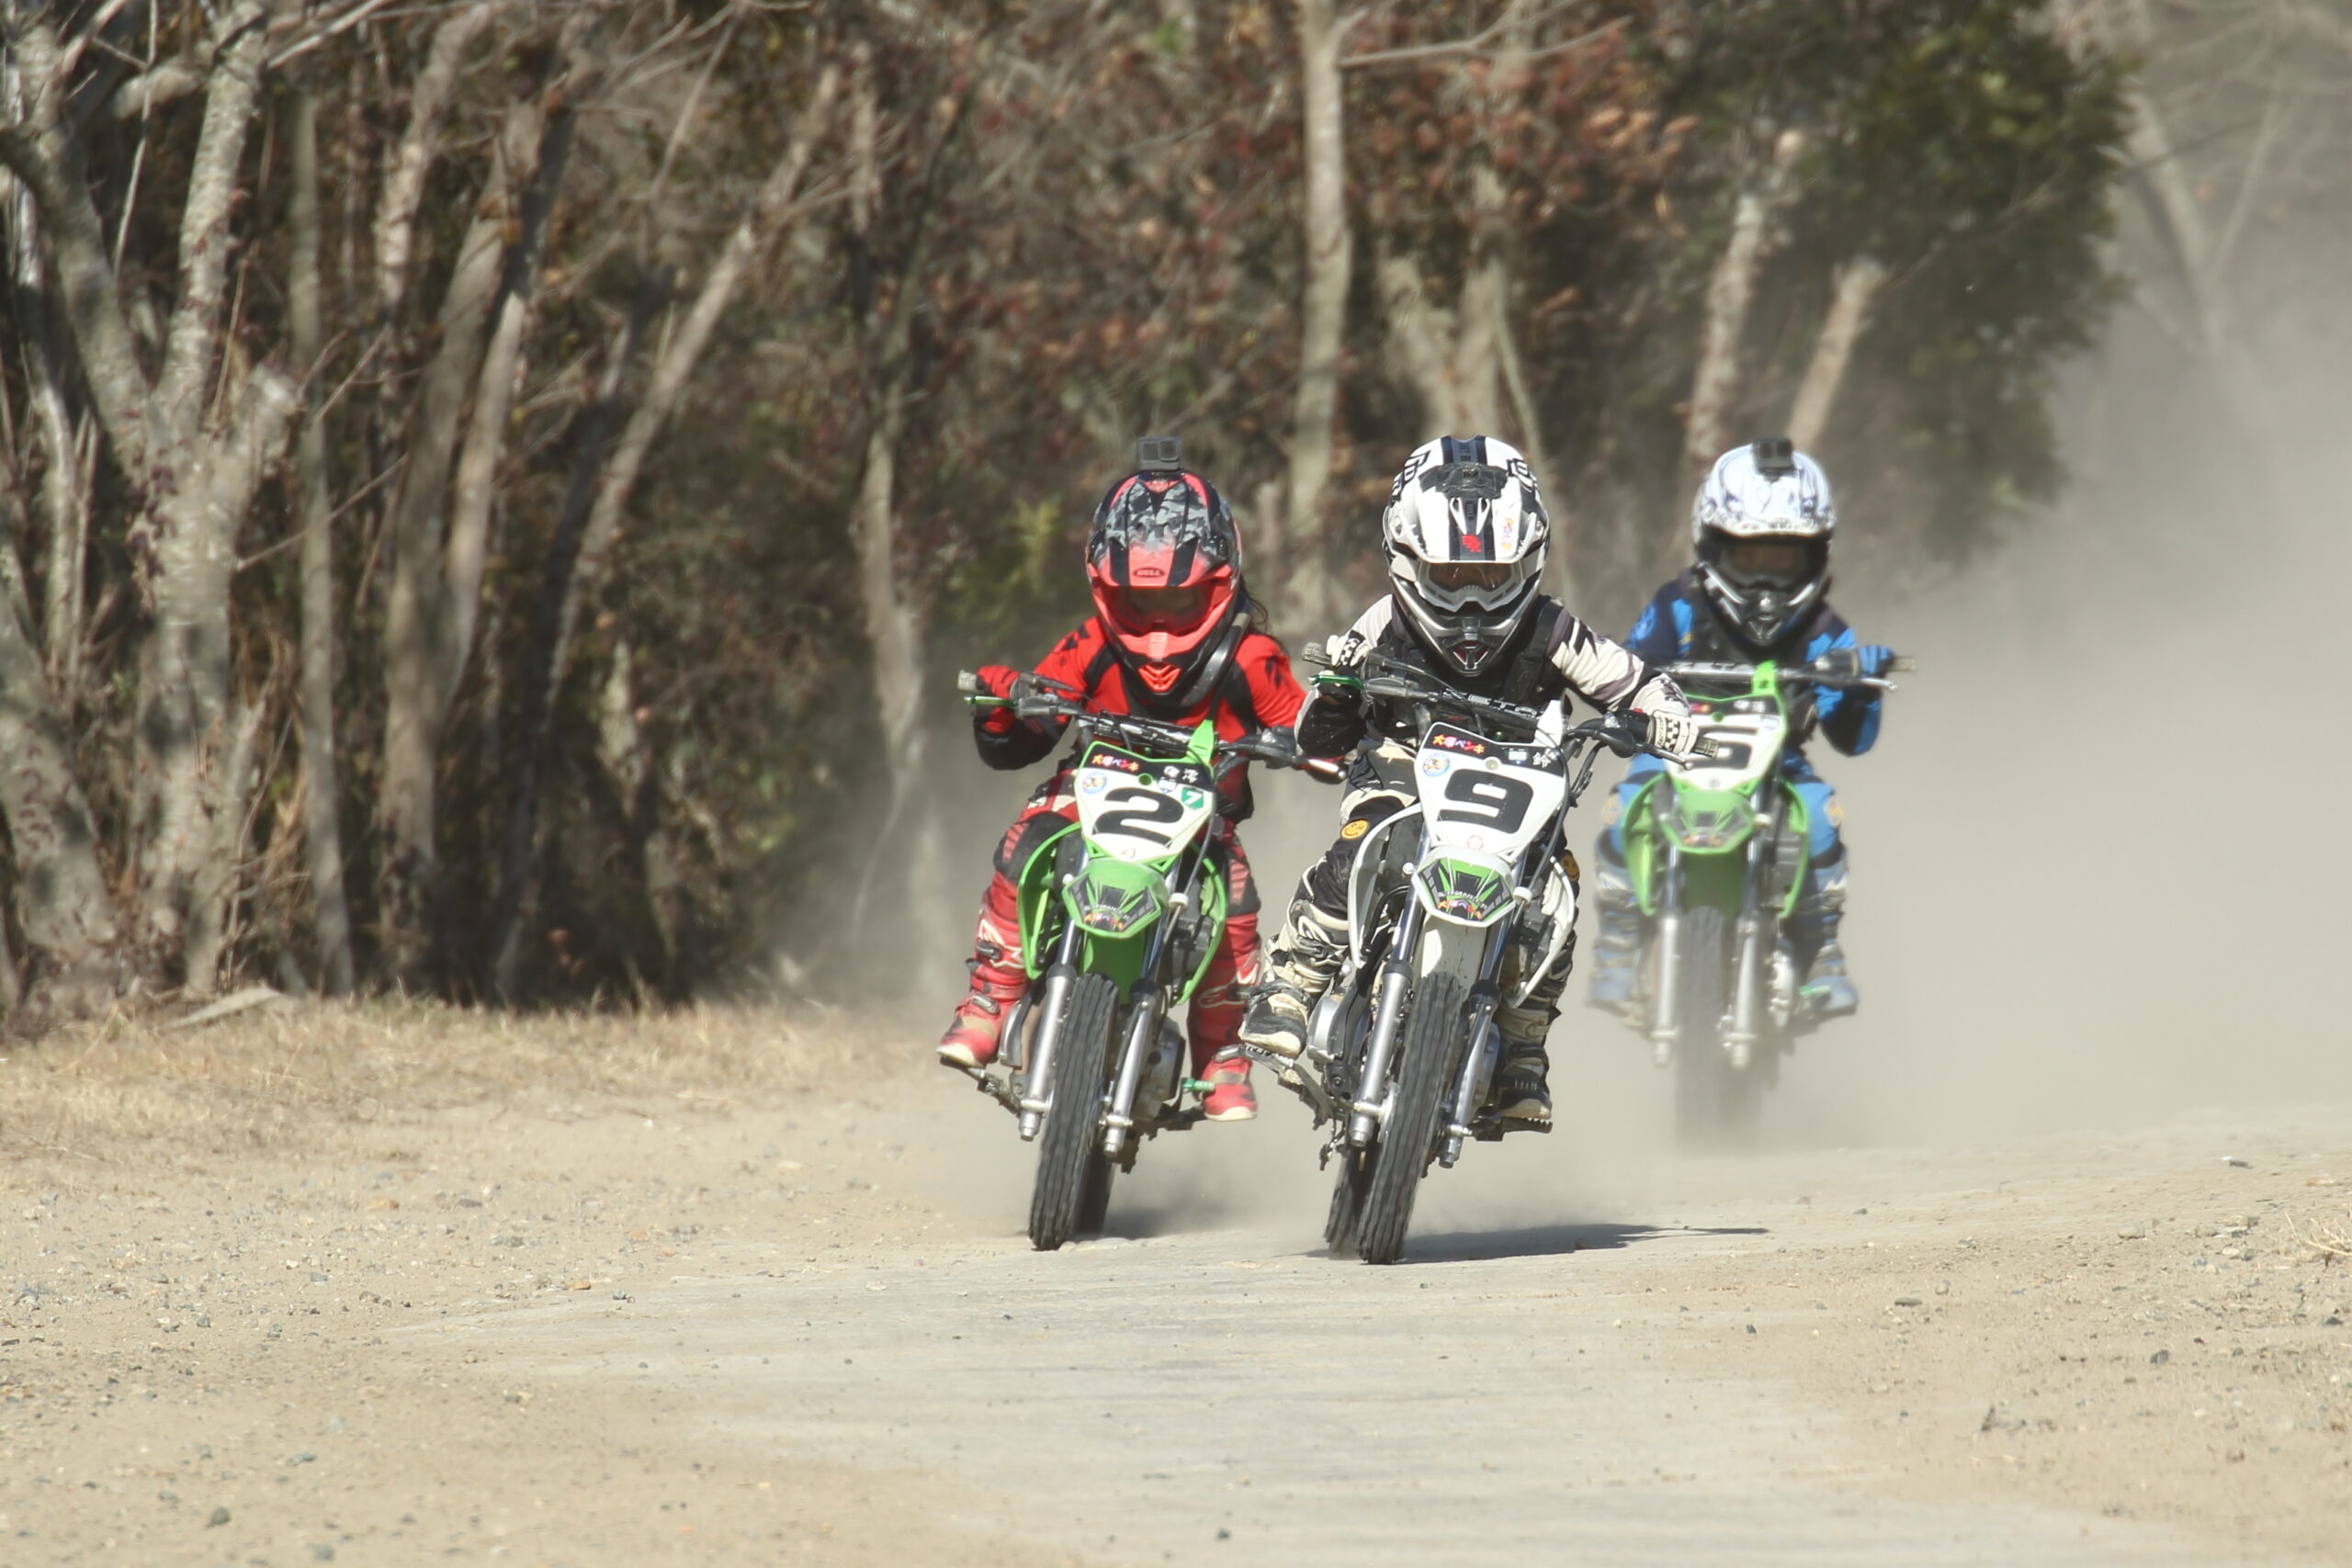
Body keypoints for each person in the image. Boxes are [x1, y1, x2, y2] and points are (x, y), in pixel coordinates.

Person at [1236, 435, 1697, 1127]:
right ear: (1408, 558)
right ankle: (1291, 984)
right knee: (1363, 842)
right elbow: (1314, 731)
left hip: (1519, 782)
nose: (1474, 597)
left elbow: (1634, 680)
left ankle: (1523, 1045)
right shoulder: (1384, 620)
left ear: (1529, 561)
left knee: (1558, 889)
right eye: (1452, 575)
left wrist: (1668, 720)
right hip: (1403, 768)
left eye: (1493, 574)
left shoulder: (1554, 629)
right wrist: (1335, 698)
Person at [939, 437, 1306, 1122]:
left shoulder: (1253, 656)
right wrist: (1000, 710)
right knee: (1023, 844)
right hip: (1085, 795)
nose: (1160, 628)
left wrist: (1318, 740)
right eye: (1140, 603)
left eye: (1180, 601)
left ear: (1220, 582)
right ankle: (989, 997)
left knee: (1237, 903)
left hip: (1202, 823)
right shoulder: (1089, 643)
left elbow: (1309, 727)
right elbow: (1027, 738)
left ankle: (1223, 1054)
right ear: (1106, 588)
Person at [1586, 437, 1896, 1022]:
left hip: (1779, 765)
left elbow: (1852, 738)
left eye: (1783, 561)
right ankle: (1618, 944)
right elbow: (1628, 670)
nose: (1765, 582)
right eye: (1749, 559)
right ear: (1711, 544)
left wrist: (1858, 685)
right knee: (1625, 806)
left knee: (1819, 814)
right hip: (1674, 752)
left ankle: (1820, 952)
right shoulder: (1677, 605)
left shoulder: (1825, 629)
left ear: (1816, 555)